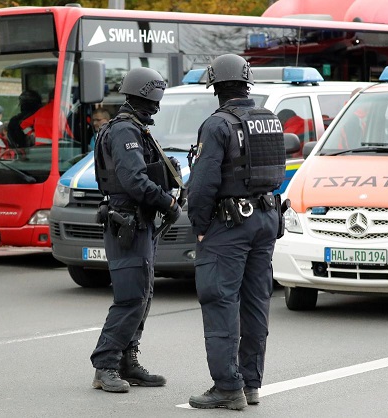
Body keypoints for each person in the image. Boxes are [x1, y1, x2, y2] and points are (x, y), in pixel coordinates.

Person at [186, 54, 286, 410]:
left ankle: (229, 386)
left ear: (215, 86)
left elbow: (201, 185)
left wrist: (199, 227)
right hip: (266, 218)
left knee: (220, 300)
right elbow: (276, 173)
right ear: (247, 83)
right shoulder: (270, 119)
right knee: (256, 302)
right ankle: (252, 383)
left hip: (230, 225)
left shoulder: (217, 125)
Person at [91, 67, 182, 393]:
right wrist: (166, 203)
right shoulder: (126, 131)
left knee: (142, 295)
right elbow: (134, 180)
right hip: (128, 222)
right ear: (150, 95)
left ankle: (127, 360)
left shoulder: (132, 128)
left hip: (136, 222)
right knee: (131, 297)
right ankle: (106, 364)